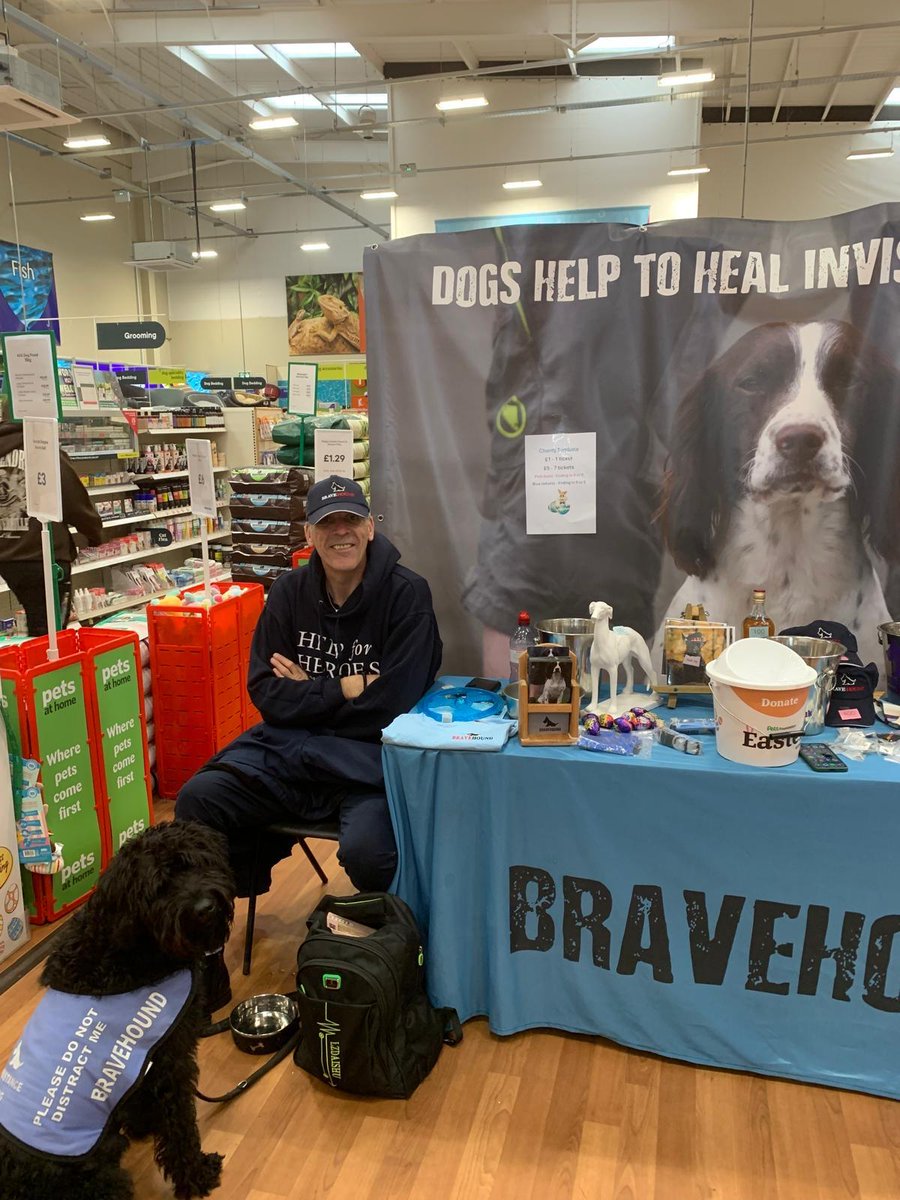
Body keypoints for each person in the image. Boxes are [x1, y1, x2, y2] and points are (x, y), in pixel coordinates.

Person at [176, 472, 442, 906]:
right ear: (309, 534)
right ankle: (206, 938)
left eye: (350, 520)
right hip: (291, 751)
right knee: (199, 799)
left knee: (369, 853)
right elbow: (265, 692)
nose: (340, 532)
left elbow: (395, 704)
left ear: (370, 527)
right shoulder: (287, 592)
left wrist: (308, 694)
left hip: (367, 763)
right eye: (327, 522)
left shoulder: (407, 595)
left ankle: (392, 942)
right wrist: (345, 688)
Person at [0, 416, 104, 635]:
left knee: (39, 622)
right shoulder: (43, 447)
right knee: (51, 631)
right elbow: (73, 500)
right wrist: (94, 533)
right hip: (44, 555)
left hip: (8, 557)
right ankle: (47, 667)